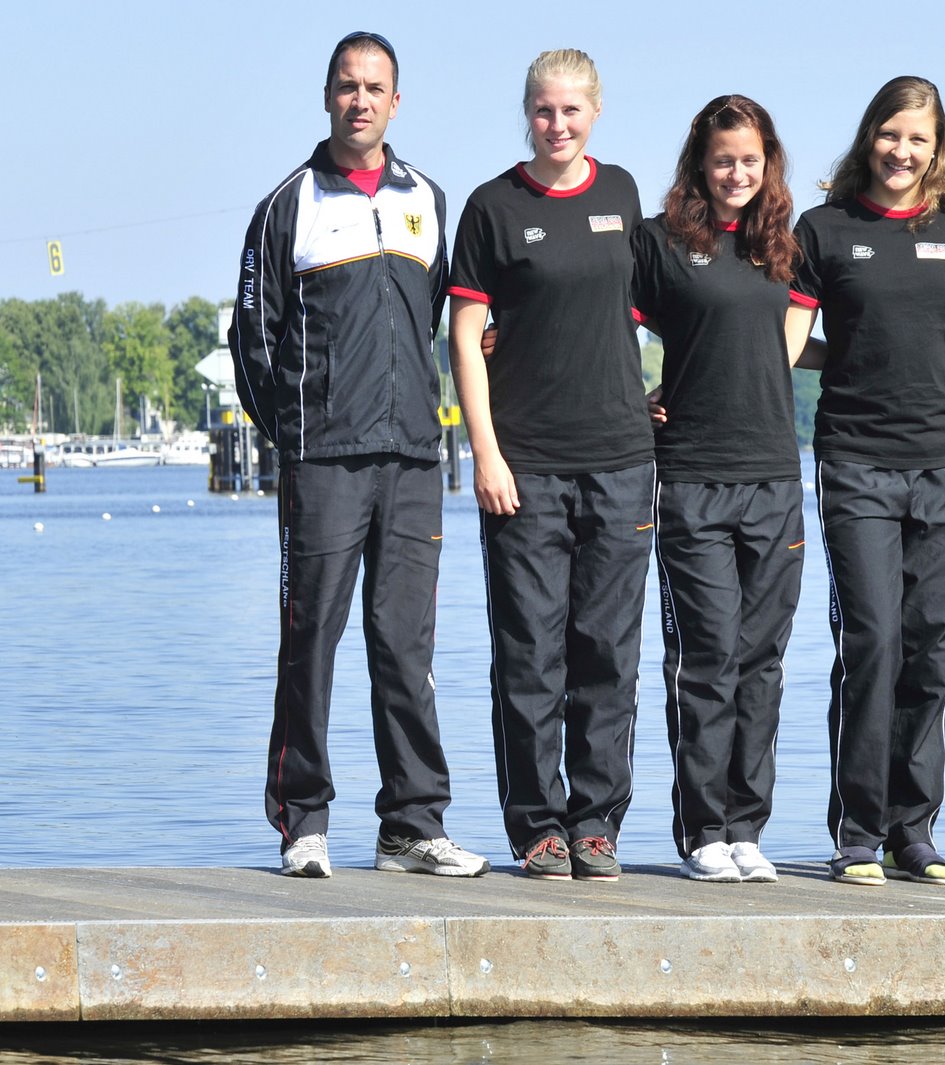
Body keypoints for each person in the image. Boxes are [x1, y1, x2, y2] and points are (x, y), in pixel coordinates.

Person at [228, 30, 489, 879]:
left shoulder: (430, 199)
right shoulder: (288, 205)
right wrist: (293, 433)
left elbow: (442, 322)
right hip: (324, 462)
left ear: (396, 102)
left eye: (375, 88)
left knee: (407, 645)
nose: (360, 100)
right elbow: (252, 337)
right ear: (327, 96)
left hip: (413, 456)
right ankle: (302, 821)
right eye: (348, 86)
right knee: (310, 641)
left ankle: (411, 825)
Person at [448, 48, 654, 883]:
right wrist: (485, 452)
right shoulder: (491, 208)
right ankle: (537, 825)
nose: (557, 124)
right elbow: (466, 338)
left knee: (608, 653)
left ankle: (596, 822)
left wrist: (669, 392)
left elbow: (659, 305)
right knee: (530, 655)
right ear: (526, 114)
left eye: (571, 110)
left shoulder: (624, 194)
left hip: (621, 461)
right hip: (524, 468)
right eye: (543, 110)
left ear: (595, 112)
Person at [788, 76, 945, 887]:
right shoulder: (824, 229)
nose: (902, 151)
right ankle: (858, 832)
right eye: (891, 134)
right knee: (872, 640)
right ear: (870, 135)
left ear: (938, 149)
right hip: (857, 462)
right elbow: (786, 342)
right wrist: (849, 353)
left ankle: (915, 830)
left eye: (918, 138)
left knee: (932, 647)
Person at [633, 95, 809, 883]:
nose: (738, 173)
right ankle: (703, 829)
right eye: (723, 160)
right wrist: (629, 398)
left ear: (768, 163)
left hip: (774, 478)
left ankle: (746, 828)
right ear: (699, 166)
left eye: (750, 160)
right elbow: (599, 323)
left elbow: (799, 340)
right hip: (693, 479)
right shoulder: (660, 244)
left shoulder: (785, 246)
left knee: (761, 662)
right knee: (705, 656)